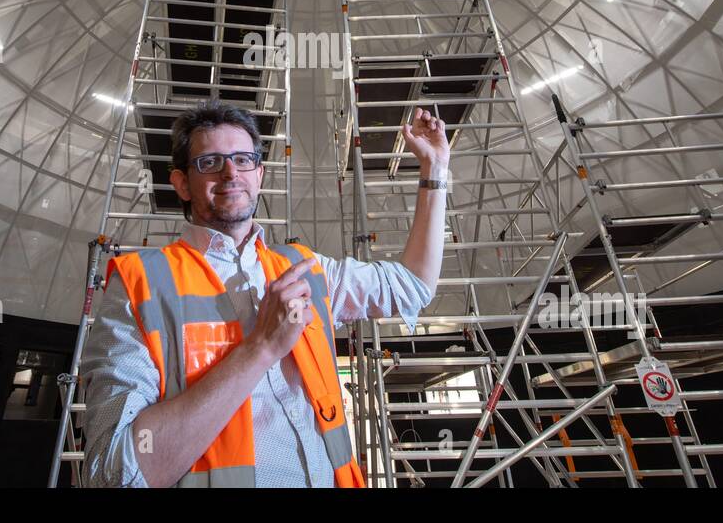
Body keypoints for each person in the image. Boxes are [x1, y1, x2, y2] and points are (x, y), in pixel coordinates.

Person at [79, 97, 449, 487]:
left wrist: (435, 169)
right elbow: (114, 473)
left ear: (260, 174)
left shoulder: (304, 270)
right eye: (210, 162)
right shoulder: (141, 283)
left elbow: (413, 286)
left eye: (243, 160)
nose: (230, 172)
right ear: (182, 184)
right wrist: (262, 348)